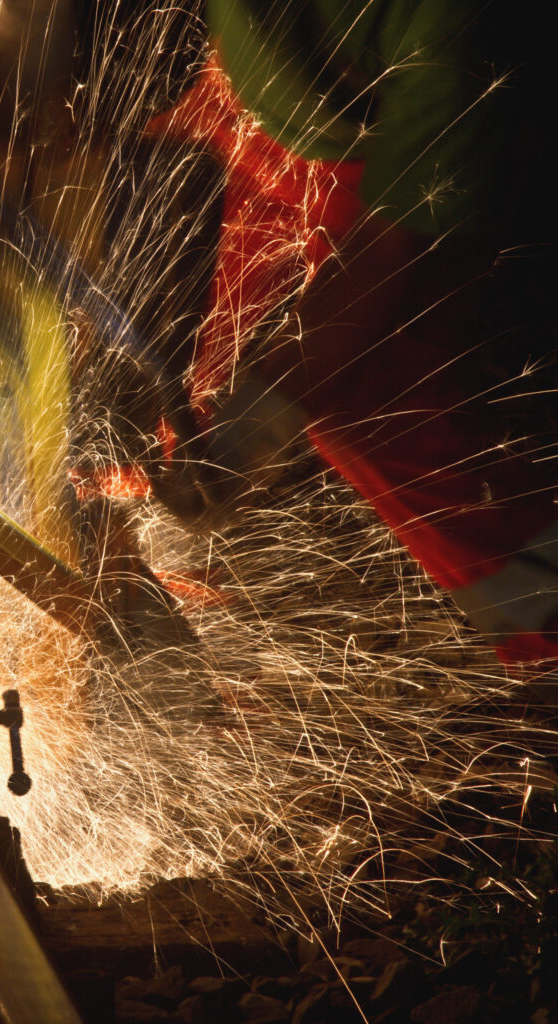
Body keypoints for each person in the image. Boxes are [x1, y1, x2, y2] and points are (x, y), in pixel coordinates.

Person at [145, 1, 558, 683]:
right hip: (248, 98)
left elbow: (383, 252)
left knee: (359, 398)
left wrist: (260, 419)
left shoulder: (453, 33)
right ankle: (151, 543)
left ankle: (539, 616)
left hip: (375, 165)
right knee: (182, 376)